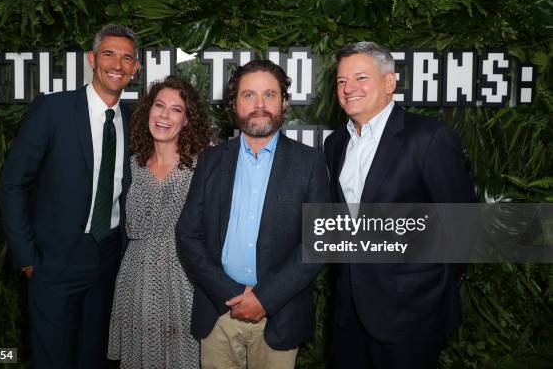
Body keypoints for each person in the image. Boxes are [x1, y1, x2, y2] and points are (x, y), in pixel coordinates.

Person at [324, 41, 477, 369]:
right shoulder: (335, 143)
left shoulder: (428, 138)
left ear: (389, 82)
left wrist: (429, 285)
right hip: (348, 315)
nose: (349, 87)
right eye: (341, 81)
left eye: (361, 77)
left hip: (411, 315)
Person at [0, 24, 140, 369]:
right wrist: (28, 257)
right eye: (108, 54)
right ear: (92, 59)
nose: (117, 64)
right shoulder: (53, 109)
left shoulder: (134, 120)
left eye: (127, 58)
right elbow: (11, 184)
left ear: (135, 69)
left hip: (107, 261)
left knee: (95, 360)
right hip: (53, 263)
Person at [176, 59, 330, 369]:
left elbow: (318, 241)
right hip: (219, 313)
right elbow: (188, 234)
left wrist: (264, 298)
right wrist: (230, 294)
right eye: (248, 95)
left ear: (284, 102)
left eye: (269, 95)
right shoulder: (211, 160)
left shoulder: (310, 162)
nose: (259, 105)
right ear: (234, 103)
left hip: (279, 315)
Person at [107, 75, 212, 368]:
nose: (164, 115)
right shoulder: (130, 165)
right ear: (148, 111)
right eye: (159, 106)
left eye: (176, 109)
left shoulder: (203, 167)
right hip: (135, 281)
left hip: (185, 282)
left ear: (188, 120)